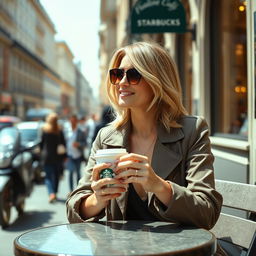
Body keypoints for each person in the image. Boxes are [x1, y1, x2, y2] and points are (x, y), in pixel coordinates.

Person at [66, 42, 224, 254]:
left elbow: (207, 212)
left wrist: (158, 185)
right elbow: (75, 208)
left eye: (133, 75)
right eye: (116, 74)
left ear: (157, 80)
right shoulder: (107, 137)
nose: (121, 82)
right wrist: (97, 199)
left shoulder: (192, 130)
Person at [40, 112, 66, 203]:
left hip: (47, 157)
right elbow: (63, 144)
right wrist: (65, 156)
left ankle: (51, 193)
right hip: (58, 157)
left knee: (48, 177)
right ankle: (54, 192)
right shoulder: (59, 130)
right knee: (56, 176)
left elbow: (41, 144)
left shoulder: (45, 130)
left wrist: (39, 153)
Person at [66, 114, 87, 192]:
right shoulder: (67, 131)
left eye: (74, 121)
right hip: (70, 155)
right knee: (71, 172)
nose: (73, 122)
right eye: (71, 121)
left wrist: (78, 144)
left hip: (78, 155)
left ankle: (78, 190)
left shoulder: (80, 132)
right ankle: (71, 190)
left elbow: (85, 143)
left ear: (76, 121)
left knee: (78, 173)